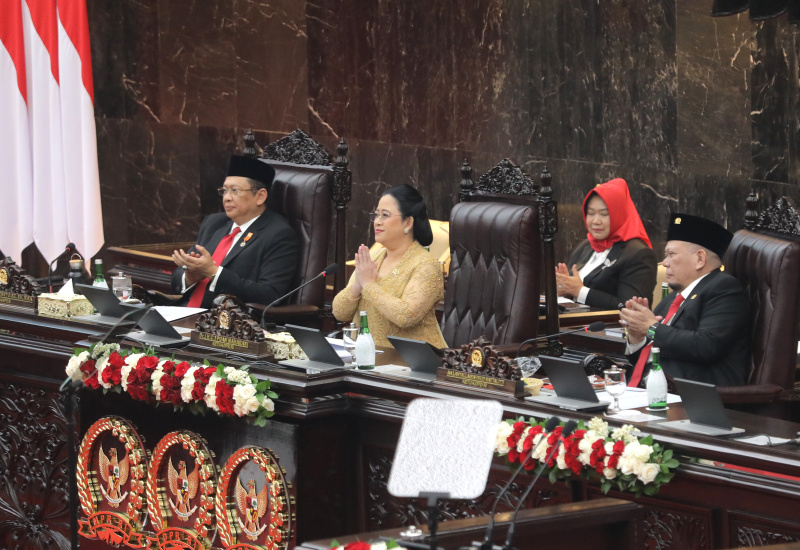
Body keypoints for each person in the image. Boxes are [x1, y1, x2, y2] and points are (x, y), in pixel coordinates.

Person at [619, 213, 749, 387]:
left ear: (700, 259)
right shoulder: (674, 297)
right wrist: (637, 336)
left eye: (671, 254)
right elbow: (648, 355)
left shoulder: (724, 288)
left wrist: (650, 328)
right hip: (652, 388)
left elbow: (706, 346)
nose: (664, 262)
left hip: (694, 395)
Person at [170, 155, 299, 309]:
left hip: (230, 324)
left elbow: (269, 295)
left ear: (260, 196)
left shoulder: (278, 234)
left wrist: (214, 273)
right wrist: (190, 276)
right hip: (183, 313)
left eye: (235, 191)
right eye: (224, 191)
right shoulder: (213, 223)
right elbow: (177, 278)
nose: (226, 198)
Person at [332, 184, 447, 348]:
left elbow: (405, 316)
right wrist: (357, 286)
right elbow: (339, 313)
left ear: (407, 222)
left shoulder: (427, 266)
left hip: (416, 365)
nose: (377, 222)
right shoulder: (371, 259)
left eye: (385, 215)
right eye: (376, 215)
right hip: (369, 360)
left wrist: (369, 286)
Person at [555, 178, 657, 309]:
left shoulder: (638, 254)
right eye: (591, 213)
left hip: (609, 327)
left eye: (604, 214)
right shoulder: (587, 245)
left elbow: (631, 307)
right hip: (573, 323)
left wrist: (579, 291)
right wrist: (562, 289)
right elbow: (571, 290)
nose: (596, 221)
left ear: (619, 215)